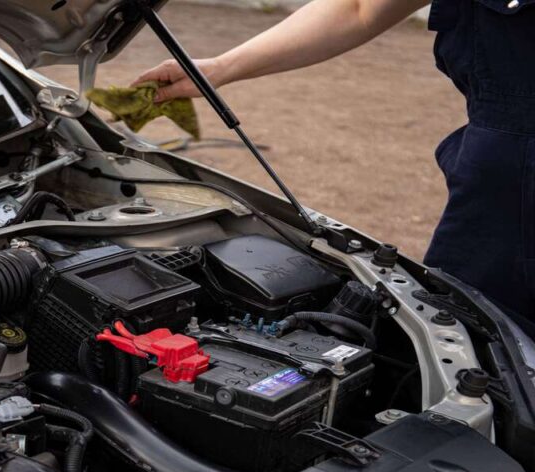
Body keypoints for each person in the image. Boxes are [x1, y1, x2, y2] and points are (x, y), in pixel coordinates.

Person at [135, 0, 534, 332]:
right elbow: (360, 9)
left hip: (508, 189)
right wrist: (218, 69)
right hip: (500, 197)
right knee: (479, 350)